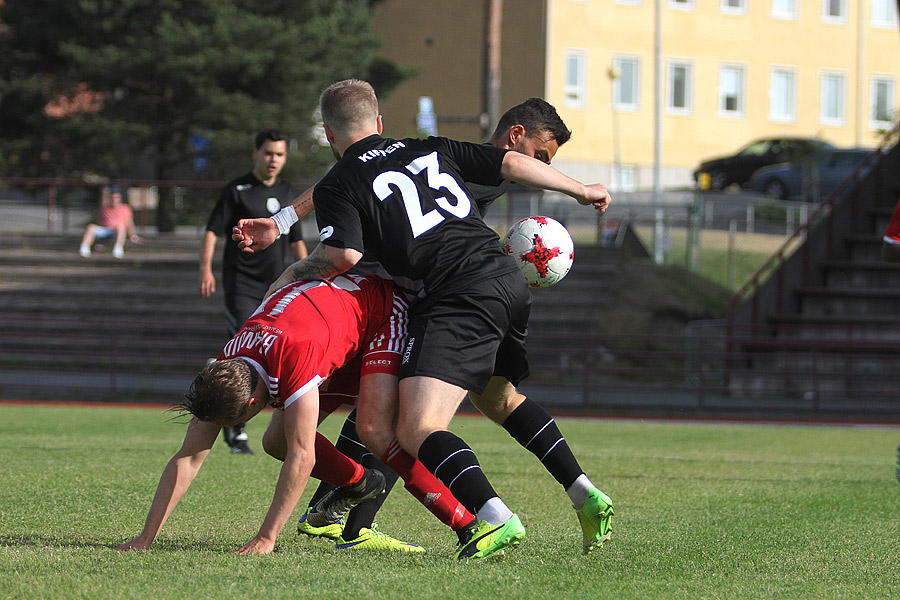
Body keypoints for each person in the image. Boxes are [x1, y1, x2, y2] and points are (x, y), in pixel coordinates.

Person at [257, 79, 612, 559]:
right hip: (497, 283)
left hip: (435, 295)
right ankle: (581, 488)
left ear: (328, 134)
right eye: (541, 156)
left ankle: (482, 518)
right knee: (497, 400)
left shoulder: (401, 156)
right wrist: (581, 190)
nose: (541, 167)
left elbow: (341, 215)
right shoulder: (434, 150)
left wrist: (285, 268)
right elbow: (341, 182)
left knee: (406, 424)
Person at [116, 273, 476, 554]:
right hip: (335, 326)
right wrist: (146, 537)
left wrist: (267, 536)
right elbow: (189, 457)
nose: (227, 431)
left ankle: (467, 524)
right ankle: (362, 482)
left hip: (383, 314)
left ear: (252, 404)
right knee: (275, 441)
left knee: (375, 429)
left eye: (232, 424)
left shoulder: (293, 358)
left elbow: (303, 457)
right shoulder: (230, 360)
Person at [200, 129, 308, 454]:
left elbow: (296, 241)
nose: (273, 160)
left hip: (276, 287)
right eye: (268, 153)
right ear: (256, 154)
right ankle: (236, 428)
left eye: (279, 154)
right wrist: (204, 268)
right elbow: (212, 231)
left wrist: (313, 280)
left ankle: (247, 416)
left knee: (272, 353)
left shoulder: (289, 193)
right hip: (241, 285)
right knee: (245, 351)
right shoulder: (237, 189)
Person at [79, 186, 141, 259]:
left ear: (120, 199)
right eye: (112, 198)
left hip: (116, 231)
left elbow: (129, 223)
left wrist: (133, 235)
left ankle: (118, 248)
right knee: (91, 227)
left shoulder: (125, 208)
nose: (114, 200)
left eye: (116, 198)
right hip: (105, 230)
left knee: (120, 226)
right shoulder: (104, 208)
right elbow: (100, 221)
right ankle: (84, 247)